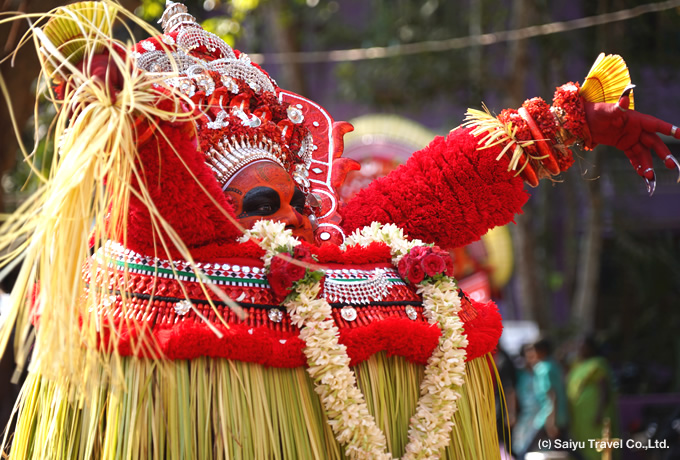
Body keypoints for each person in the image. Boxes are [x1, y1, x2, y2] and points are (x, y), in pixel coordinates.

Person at [0, 1, 678, 459]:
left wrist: (568, 123)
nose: (295, 218)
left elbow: (433, 191)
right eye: (265, 203)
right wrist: (125, 107)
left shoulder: (330, 240)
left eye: (299, 199)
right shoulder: (179, 241)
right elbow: (166, 192)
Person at [567, 335, 619, 460]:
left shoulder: (598, 363)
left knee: (599, 447)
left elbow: (603, 390)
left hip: (595, 415)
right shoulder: (577, 365)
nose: (580, 348)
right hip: (580, 417)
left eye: (583, 346)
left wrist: (600, 412)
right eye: (579, 345)